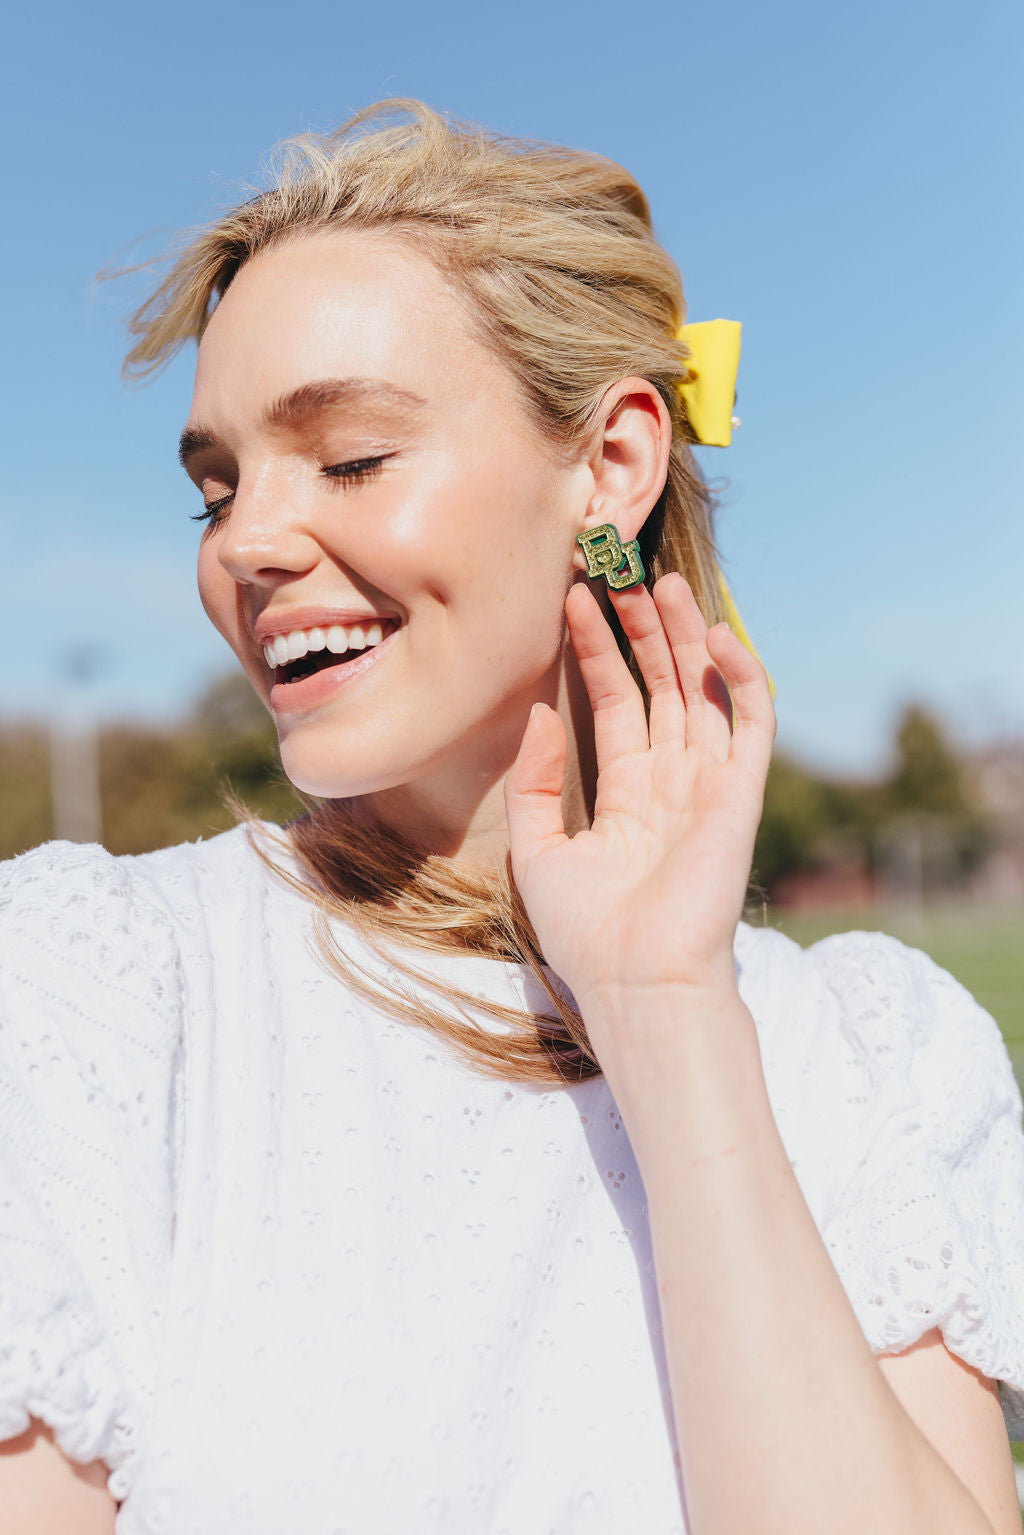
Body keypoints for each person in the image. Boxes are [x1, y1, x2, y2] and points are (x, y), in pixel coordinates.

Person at [1, 99, 1022, 1535]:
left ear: (610, 465)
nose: (243, 544)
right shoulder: (95, 998)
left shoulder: (875, 1059)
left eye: (350, 457)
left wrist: (667, 1016)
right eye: (214, 490)